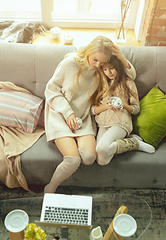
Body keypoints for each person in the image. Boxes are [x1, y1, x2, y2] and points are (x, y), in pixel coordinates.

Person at [44, 35, 117, 193]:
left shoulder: (100, 73)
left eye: (103, 63)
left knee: (89, 157)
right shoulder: (70, 62)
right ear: (89, 51)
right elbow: (51, 90)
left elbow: (130, 75)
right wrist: (68, 113)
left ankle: (73, 140)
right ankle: (49, 188)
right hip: (60, 113)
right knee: (73, 160)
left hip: (82, 117)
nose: (97, 65)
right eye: (95, 59)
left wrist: (121, 56)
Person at [93, 55, 155, 166]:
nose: (109, 72)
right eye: (105, 69)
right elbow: (93, 110)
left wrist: (124, 106)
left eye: (111, 68)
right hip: (102, 124)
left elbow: (136, 109)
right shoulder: (101, 85)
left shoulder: (128, 82)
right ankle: (129, 140)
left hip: (120, 122)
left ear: (118, 67)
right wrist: (105, 107)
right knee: (102, 161)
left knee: (101, 148)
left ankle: (135, 144)